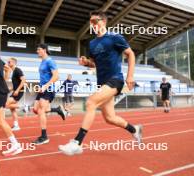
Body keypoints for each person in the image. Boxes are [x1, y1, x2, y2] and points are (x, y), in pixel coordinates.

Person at [58, 10, 142, 155]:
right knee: (109, 118)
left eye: (94, 21)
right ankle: (135, 129)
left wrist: (130, 76)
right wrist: (86, 63)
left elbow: (131, 54)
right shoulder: (92, 43)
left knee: (91, 102)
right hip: (102, 82)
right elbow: (95, 64)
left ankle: (77, 143)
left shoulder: (115, 37)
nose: (92, 24)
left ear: (103, 22)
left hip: (115, 79)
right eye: (90, 22)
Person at [32, 44, 66, 145]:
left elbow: (56, 76)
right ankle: (57, 109)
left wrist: (46, 86)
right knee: (35, 109)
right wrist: (40, 86)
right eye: (37, 49)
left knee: (41, 110)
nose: (37, 51)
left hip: (48, 89)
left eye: (39, 49)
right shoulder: (42, 61)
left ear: (44, 50)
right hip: (42, 89)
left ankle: (44, 136)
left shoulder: (50, 61)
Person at [5, 58, 26, 131]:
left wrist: (17, 90)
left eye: (9, 62)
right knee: (12, 109)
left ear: (13, 62)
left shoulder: (17, 70)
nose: (7, 63)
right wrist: (10, 89)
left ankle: (23, 106)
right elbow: (15, 84)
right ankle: (16, 125)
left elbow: (23, 80)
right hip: (15, 91)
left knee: (5, 104)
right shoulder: (14, 72)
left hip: (19, 92)